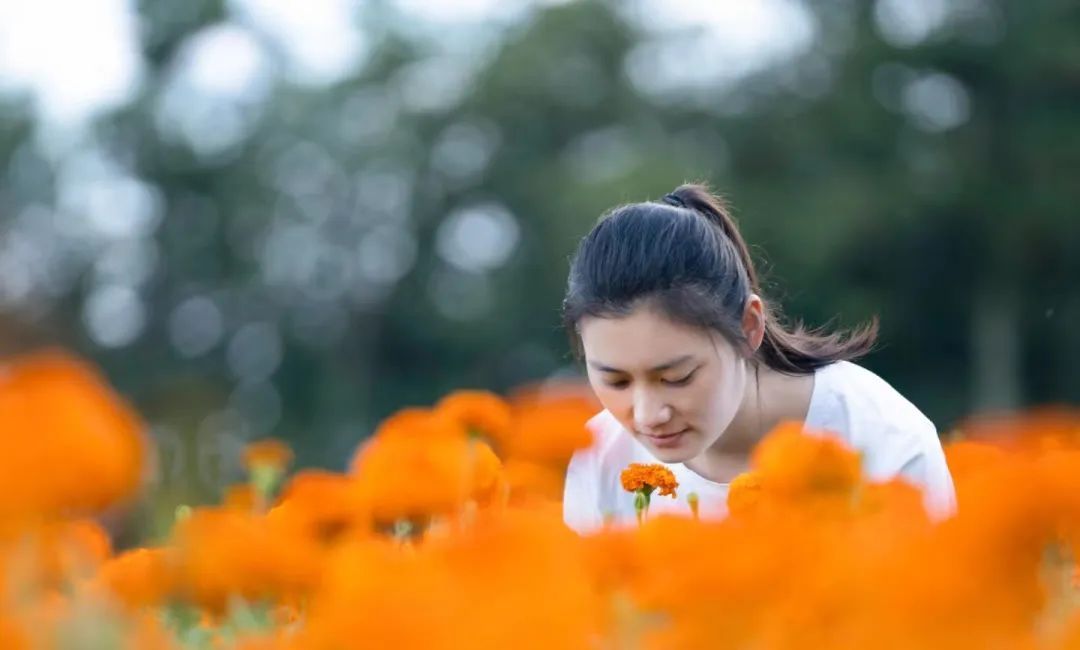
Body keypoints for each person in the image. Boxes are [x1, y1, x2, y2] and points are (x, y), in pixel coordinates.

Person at [560, 183, 955, 533]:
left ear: (749, 327)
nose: (647, 415)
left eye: (677, 377)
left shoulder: (881, 438)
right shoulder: (599, 459)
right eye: (616, 382)